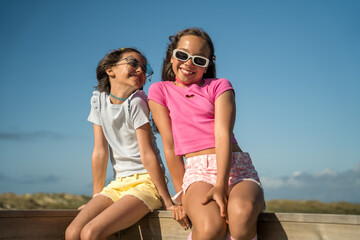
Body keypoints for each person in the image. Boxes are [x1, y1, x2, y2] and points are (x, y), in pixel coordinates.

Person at [148, 28, 265, 240]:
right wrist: (181, 197)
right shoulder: (159, 90)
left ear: (208, 63)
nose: (188, 63)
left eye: (198, 60)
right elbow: (169, 144)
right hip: (197, 172)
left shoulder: (220, 86)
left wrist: (221, 185)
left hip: (236, 167)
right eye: (182, 55)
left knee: (241, 217)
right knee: (210, 228)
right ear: (171, 55)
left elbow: (222, 134)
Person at [65, 48, 174, 240]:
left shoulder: (138, 102)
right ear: (110, 70)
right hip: (118, 184)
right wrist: (96, 196)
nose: (140, 70)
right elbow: (100, 151)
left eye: (144, 68)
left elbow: (147, 154)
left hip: (146, 183)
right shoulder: (98, 100)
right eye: (133, 63)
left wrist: (167, 200)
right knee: (72, 233)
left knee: (91, 233)